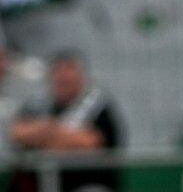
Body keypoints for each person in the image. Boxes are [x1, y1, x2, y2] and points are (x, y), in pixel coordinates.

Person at [9, 52, 122, 192]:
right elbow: (17, 132)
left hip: (87, 185)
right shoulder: (38, 106)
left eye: (69, 71)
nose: (63, 77)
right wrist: (59, 134)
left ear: (81, 77)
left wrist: (43, 135)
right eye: (58, 72)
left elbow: (90, 142)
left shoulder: (98, 107)